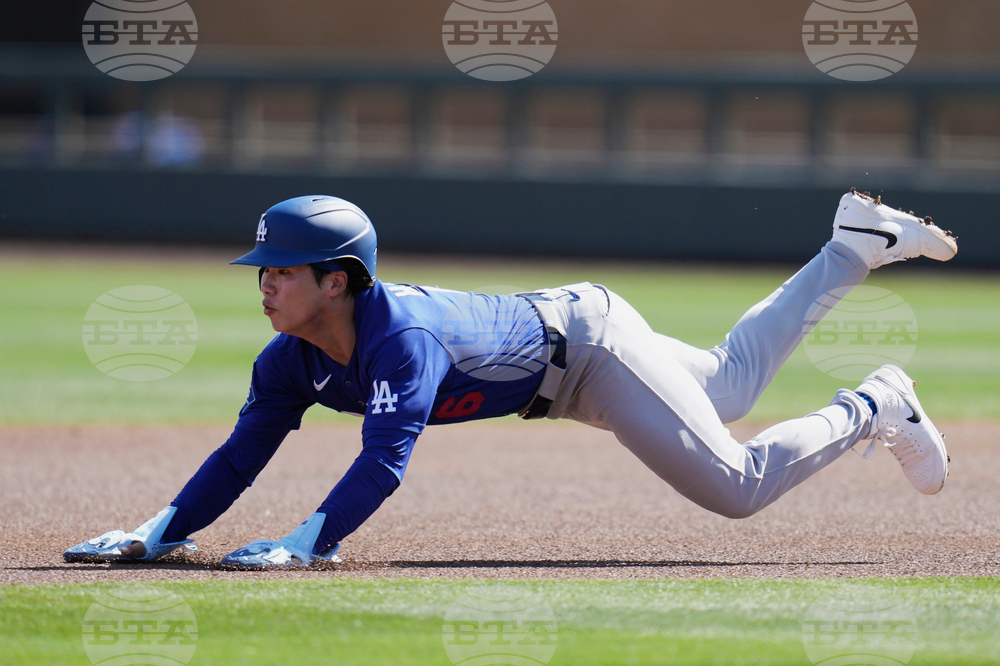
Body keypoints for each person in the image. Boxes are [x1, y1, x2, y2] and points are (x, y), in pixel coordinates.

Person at [65, 189, 958, 569]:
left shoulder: (398, 341)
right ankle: (854, 246)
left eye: (283, 270)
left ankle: (874, 401)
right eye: (263, 269)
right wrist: (158, 533)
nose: (266, 283)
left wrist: (307, 545)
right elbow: (239, 456)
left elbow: (383, 463)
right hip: (570, 338)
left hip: (590, 358)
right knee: (728, 381)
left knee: (736, 486)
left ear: (336, 279)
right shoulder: (288, 360)